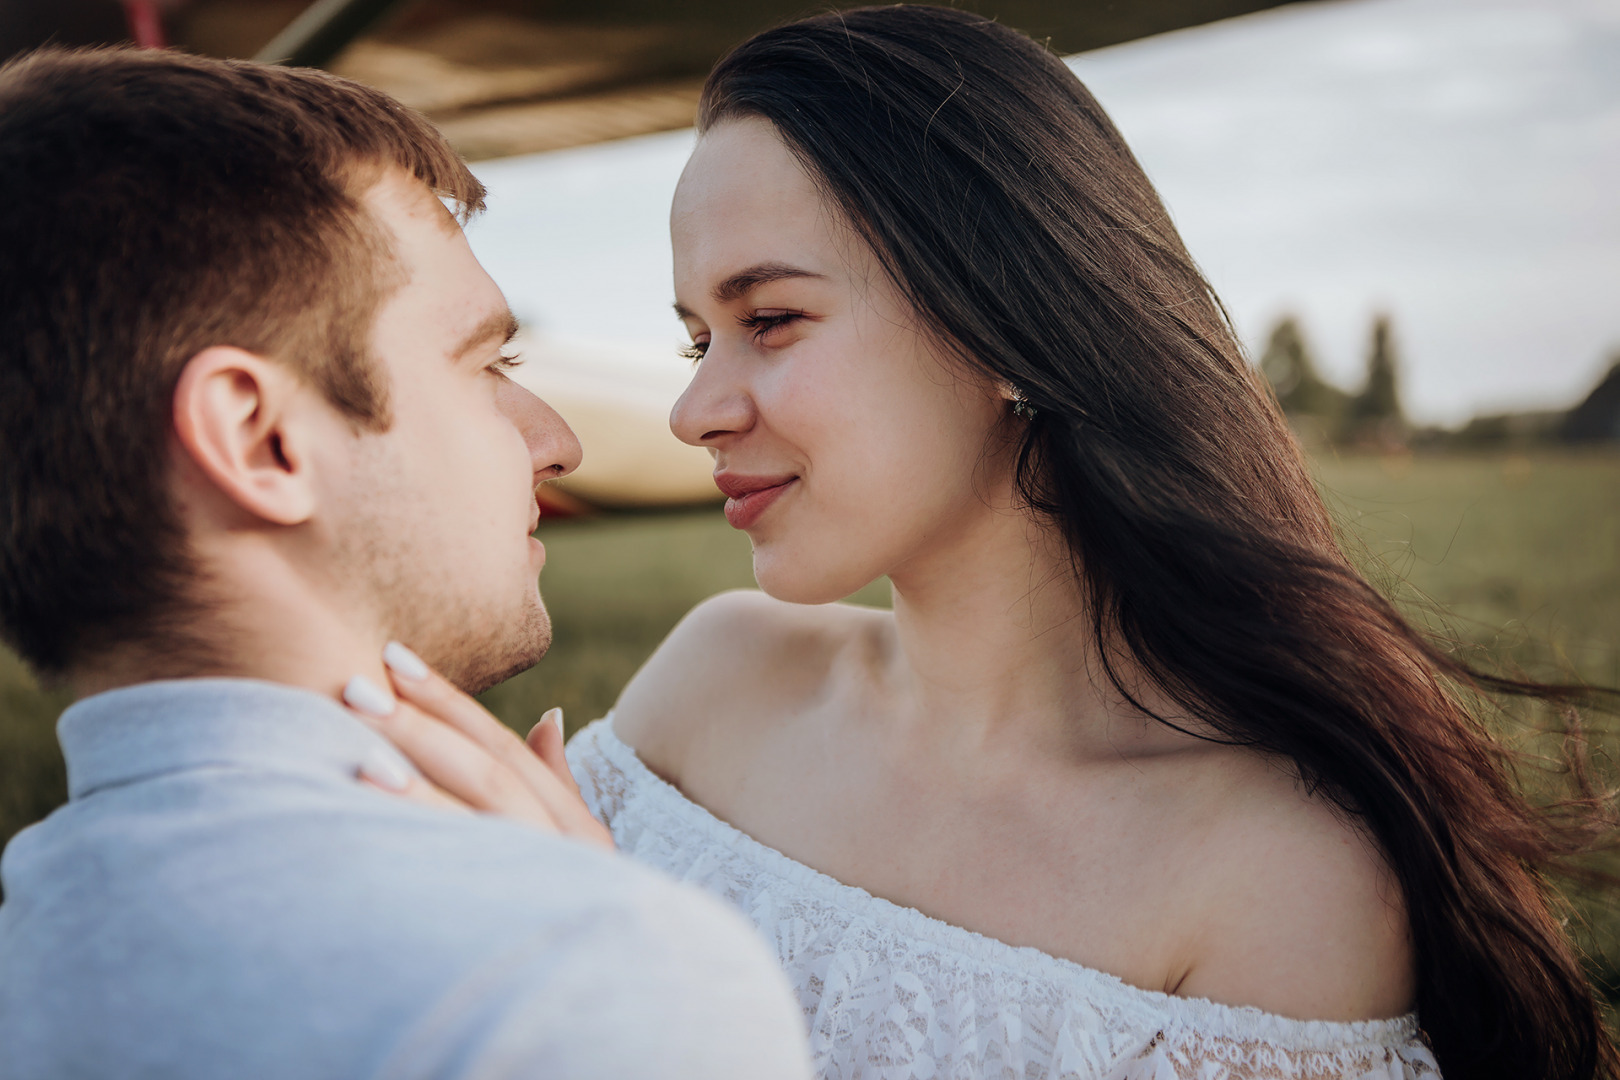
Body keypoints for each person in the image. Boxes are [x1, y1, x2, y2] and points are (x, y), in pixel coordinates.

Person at [558, 7, 1620, 1079]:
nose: (692, 411)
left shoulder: (1276, 877)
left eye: (771, 320)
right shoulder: (712, 683)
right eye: (696, 338)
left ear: (1002, 318)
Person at [0, 47, 811, 1080]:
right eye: (486, 365)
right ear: (258, 439)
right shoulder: (589, 981)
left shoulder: (35, 945)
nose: (554, 441)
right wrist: (610, 947)